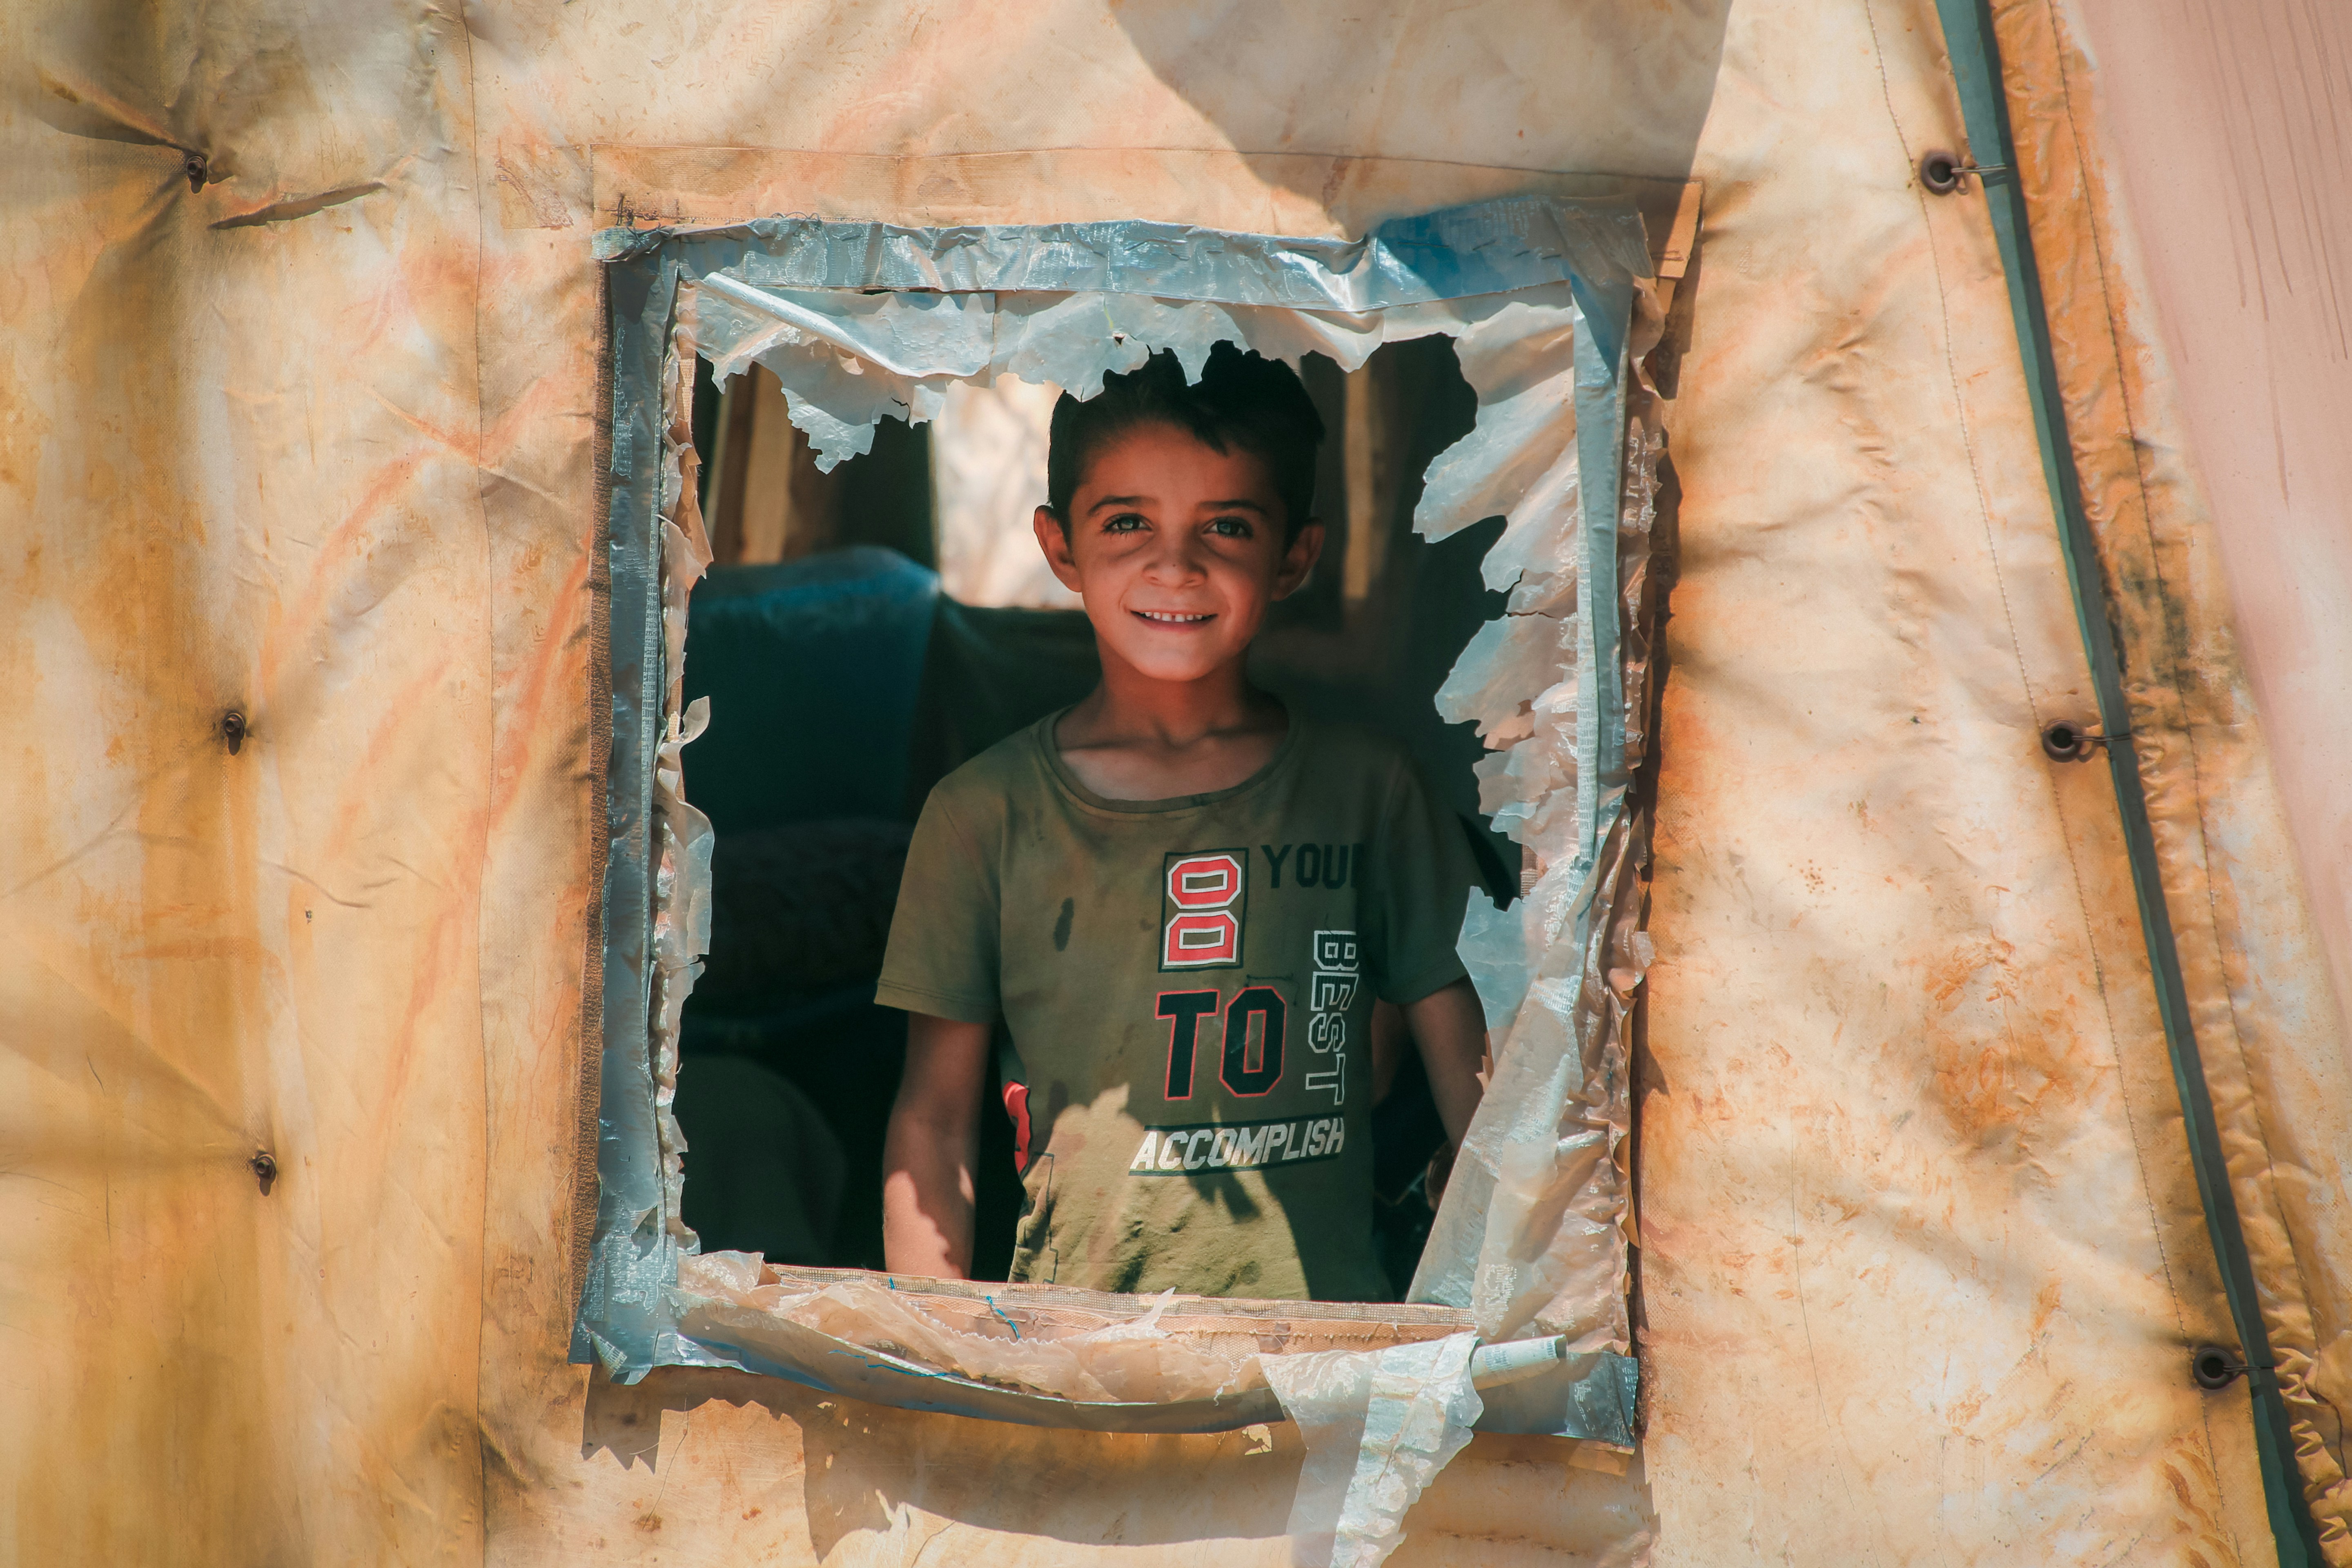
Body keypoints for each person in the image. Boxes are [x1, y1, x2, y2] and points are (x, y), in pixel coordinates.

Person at [875, 344, 1488, 1301]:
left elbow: (1477, 1094)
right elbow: (935, 1122)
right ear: (1060, 547)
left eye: (1227, 527)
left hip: (1331, 1360)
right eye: (1127, 523)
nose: (1176, 565)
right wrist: (930, 1348)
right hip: (1078, 1356)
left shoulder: (1372, 792)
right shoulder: (982, 815)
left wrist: (1507, 1305)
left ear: (1295, 556)